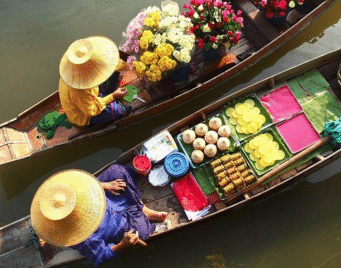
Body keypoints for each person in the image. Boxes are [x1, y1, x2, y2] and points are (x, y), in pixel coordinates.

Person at [30, 164, 168, 266]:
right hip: (118, 224)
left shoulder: (58, 193)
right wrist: (122, 244)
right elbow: (100, 256)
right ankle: (139, 212)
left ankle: (143, 209)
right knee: (142, 231)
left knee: (117, 171)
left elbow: (84, 183)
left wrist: (105, 185)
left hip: (108, 198)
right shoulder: (82, 237)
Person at [58, 36, 131, 127]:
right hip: (85, 114)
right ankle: (109, 98)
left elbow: (110, 63)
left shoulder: (73, 69)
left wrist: (131, 66)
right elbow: (91, 111)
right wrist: (113, 96)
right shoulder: (79, 88)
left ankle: (104, 96)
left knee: (112, 71)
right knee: (119, 110)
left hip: (92, 95)